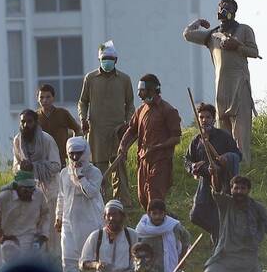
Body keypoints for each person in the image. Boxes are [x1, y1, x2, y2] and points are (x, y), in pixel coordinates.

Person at [184, 0, 260, 165]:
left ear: (234, 11)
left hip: (239, 86)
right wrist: (197, 22)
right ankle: (224, 167)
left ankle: (243, 166)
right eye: (221, 7)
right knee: (222, 131)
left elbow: (254, 52)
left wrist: (237, 46)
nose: (223, 10)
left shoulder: (244, 30)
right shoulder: (212, 35)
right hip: (221, 88)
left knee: (241, 132)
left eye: (227, 7)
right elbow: (187, 34)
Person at [78, 40, 135, 205]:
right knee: (98, 167)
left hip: (118, 129)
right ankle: (101, 202)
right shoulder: (90, 78)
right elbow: (83, 101)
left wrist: (128, 123)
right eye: (104, 58)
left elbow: (130, 103)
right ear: (99, 60)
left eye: (110, 58)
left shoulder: (124, 79)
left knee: (119, 165)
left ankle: (123, 202)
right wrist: (83, 118)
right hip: (96, 130)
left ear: (116, 60)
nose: (107, 61)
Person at [116, 74, 183, 211]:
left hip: (161, 161)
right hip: (143, 160)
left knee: (155, 196)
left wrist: (158, 147)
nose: (139, 94)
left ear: (152, 90)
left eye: (142, 90)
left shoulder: (168, 110)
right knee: (143, 198)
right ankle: (164, 220)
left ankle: (158, 228)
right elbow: (131, 130)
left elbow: (176, 138)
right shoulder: (141, 110)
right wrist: (123, 146)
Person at [185, 102, 241, 242]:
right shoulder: (196, 141)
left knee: (221, 211)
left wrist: (225, 159)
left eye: (208, 117)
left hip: (223, 182)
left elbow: (237, 155)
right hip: (205, 181)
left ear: (213, 119)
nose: (204, 120)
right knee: (196, 214)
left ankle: (220, 239)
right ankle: (219, 231)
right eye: (201, 117)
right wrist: (194, 167)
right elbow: (187, 161)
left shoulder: (224, 137)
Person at [54, 136, 105, 272]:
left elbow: (91, 193)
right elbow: (62, 195)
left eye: (79, 153)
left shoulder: (94, 172)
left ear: (86, 152)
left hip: (89, 221)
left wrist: (80, 176)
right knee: (69, 260)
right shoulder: (64, 173)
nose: (75, 157)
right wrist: (58, 216)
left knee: (89, 258)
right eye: (72, 154)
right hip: (68, 222)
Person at [12, 109, 62, 251]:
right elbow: (15, 168)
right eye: (23, 122)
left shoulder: (47, 140)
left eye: (29, 121)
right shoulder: (17, 140)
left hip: (49, 192)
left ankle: (54, 266)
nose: (26, 125)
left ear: (36, 122)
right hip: (29, 194)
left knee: (52, 236)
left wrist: (34, 166)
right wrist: (22, 167)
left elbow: (56, 165)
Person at [0, 170, 48, 265]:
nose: (29, 193)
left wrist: (42, 237)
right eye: (26, 190)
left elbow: (45, 216)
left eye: (32, 190)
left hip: (32, 245)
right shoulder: (4, 198)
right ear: (17, 188)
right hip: (9, 246)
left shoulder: (39, 196)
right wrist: (0, 235)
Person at [79, 200, 135, 272]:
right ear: (104, 217)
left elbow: (137, 260)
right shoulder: (96, 235)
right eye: (109, 215)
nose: (112, 218)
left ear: (122, 216)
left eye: (115, 214)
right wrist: (96, 265)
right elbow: (82, 263)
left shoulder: (132, 235)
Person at [36, 83, 81, 163]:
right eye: (41, 97)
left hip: (61, 157)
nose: (45, 100)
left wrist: (73, 146)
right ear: (38, 99)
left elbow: (77, 129)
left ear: (53, 98)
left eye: (48, 97)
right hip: (42, 159)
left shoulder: (62, 113)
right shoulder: (35, 117)